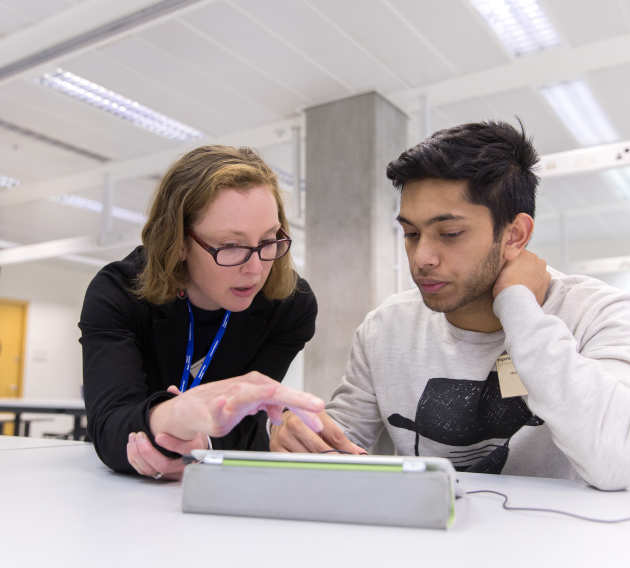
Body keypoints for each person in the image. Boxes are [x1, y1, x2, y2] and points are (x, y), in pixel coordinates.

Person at [271, 121, 630, 490]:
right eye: (411, 234)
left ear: (515, 235)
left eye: (450, 234)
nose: (422, 257)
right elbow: (338, 443)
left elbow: (618, 463)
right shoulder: (385, 329)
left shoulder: (596, 314)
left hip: (560, 543)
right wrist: (304, 439)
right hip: (428, 541)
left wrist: (518, 307)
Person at [80, 145, 324, 480]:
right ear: (178, 241)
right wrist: (177, 418)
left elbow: (250, 424)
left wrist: (200, 444)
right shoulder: (118, 292)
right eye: (231, 246)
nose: (255, 269)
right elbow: (110, 427)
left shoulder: (291, 305)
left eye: (269, 240)